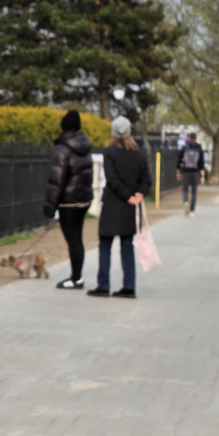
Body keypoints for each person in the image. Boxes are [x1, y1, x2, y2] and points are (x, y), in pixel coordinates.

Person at [89, 116, 151, 299]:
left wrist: (127, 195)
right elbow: (146, 179)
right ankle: (129, 286)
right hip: (129, 208)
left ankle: (103, 285)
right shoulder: (139, 153)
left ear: (113, 133)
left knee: (105, 245)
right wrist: (137, 195)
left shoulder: (109, 152)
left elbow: (112, 179)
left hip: (112, 204)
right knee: (127, 246)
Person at [43, 110, 94, 290]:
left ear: (63, 127)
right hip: (83, 200)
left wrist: (50, 207)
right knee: (77, 239)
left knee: (73, 240)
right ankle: (77, 277)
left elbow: (56, 181)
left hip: (68, 202)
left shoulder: (62, 149)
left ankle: (76, 278)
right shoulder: (85, 147)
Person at [177, 131, 205, 216]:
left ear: (189, 138)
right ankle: (192, 210)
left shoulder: (185, 147)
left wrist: (179, 171)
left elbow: (179, 161)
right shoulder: (199, 148)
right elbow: (201, 162)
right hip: (195, 172)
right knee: (194, 191)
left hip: (185, 172)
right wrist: (202, 175)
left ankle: (186, 202)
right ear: (196, 139)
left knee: (185, 190)